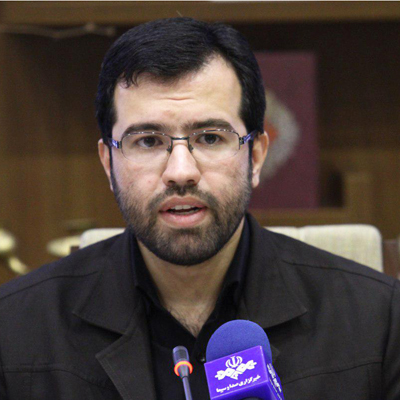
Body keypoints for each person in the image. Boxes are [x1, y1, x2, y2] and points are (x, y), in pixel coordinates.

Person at [0, 17, 399, 400]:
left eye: (210, 138)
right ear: (108, 163)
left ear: (256, 156)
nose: (181, 172)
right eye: (148, 141)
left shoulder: (378, 321)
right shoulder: (16, 328)